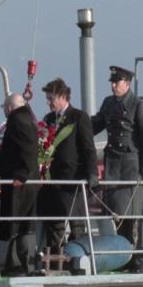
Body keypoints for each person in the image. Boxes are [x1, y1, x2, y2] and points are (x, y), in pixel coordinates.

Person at [91, 66, 143, 273]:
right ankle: (121, 259)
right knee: (116, 214)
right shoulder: (109, 104)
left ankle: (137, 260)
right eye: (112, 82)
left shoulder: (139, 106)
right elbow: (96, 124)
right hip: (113, 166)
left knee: (134, 215)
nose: (113, 85)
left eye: (117, 82)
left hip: (131, 168)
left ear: (127, 84)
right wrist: (78, 126)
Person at [37, 78, 98, 253]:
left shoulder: (79, 117)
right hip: (53, 181)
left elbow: (88, 148)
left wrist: (91, 174)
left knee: (76, 224)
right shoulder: (49, 119)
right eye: (47, 99)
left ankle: (77, 259)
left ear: (63, 97)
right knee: (54, 225)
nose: (48, 103)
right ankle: (55, 259)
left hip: (72, 181)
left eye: (51, 99)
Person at [0, 92, 40, 276]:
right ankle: (18, 262)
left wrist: (21, 175)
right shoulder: (27, 119)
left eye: (4, 108)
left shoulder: (17, 121)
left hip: (20, 183)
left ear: (9, 107)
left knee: (17, 222)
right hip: (27, 181)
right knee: (21, 223)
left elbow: (28, 150)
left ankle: (19, 264)